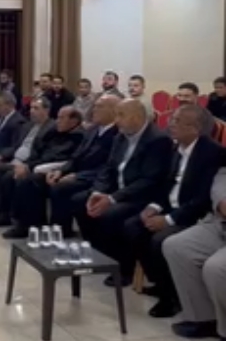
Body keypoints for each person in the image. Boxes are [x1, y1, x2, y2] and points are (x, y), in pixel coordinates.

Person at [124, 104, 226, 316]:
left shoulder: (212, 153)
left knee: (159, 239)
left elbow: (202, 199)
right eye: (172, 119)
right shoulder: (176, 147)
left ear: (195, 128)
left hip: (194, 214)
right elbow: (167, 184)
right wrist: (154, 207)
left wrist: (169, 219)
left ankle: (171, 298)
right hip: (172, 206)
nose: (170, 124)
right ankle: (162, 283)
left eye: (177, 121)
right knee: (133, 227)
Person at [73, 100, 173, 284]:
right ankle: (99, 252)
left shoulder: (158, 140)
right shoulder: (120, 136)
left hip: (142, 196)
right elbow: (108, 168)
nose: (116, 120)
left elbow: (149, 180)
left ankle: (123, 269)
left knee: (111, 214)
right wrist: (97, 191)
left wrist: (112, 198)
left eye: (121, 115)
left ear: (137, 117)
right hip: (117, 189)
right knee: (80, 201)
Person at [162, 167, 226, 341]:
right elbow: (222, 177)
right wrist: (222, 201)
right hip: (221, 223)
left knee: (217, 268)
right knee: (177, 246)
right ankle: (204, 318)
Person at [0, 106, 85, 238]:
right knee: (9, 176)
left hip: (58, 169)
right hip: (41, 164)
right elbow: (40, 152)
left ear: (73, 121)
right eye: (57, 117)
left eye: (61, 118)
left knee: (28, 181)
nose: (57, 121)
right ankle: (9, 217)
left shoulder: (79, 137)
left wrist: (30, 167)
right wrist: (27, 165)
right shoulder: (54, 133)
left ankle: (28, 225)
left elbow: (67, 160)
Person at [47, 95, 121, 237]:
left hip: (97, 178)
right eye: (94, 106)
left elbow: (107, 166)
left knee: (62, 188)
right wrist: (61, 171)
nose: (94, 110)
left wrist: (77, 176)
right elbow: (76, 156)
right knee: (41, 180)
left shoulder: (117, 134)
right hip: (80, 172)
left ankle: (61, 231)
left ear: (113, 110)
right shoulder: (93, 130)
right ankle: (51, 228)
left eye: (99, 106)